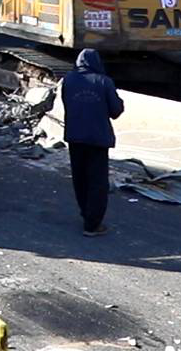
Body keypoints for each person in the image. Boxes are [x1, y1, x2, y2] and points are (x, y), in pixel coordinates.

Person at [59, 48, 125, 236]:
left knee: (80, 178)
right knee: (97, 181)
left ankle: (85, 214)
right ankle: (93, 224)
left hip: (75, 136)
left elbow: (66, 102)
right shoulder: (104, 82)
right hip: (97, 138)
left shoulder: (68, 80)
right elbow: (116, 111)